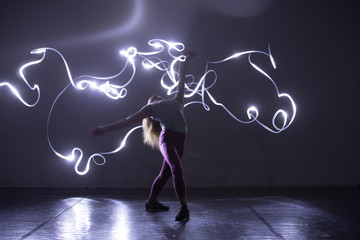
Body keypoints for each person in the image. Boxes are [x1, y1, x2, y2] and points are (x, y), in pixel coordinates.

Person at [91, 52, 193, 222]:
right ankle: (184, 208)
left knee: (166, 173)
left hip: (180, 140)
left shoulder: (176, 101)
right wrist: (103, 129)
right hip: (167, 139)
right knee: (177, 168)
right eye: (152, 98)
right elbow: (127, 121)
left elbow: (182, 81)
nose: (155, 95)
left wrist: (186, 60)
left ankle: (151, 201)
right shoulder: (150, 108)